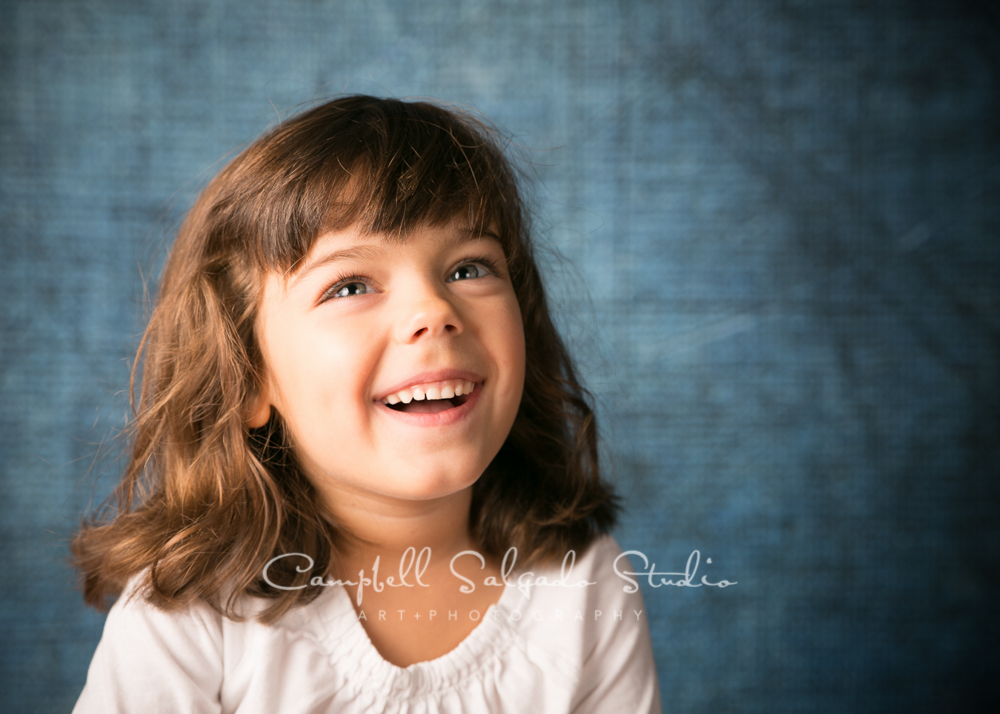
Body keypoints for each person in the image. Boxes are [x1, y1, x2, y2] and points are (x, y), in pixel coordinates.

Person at [71, 95, 661, 713]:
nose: (435, 310)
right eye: (350, 285)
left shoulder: (582, 585)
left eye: (468, 268)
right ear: (247, 380)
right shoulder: (191, 617)